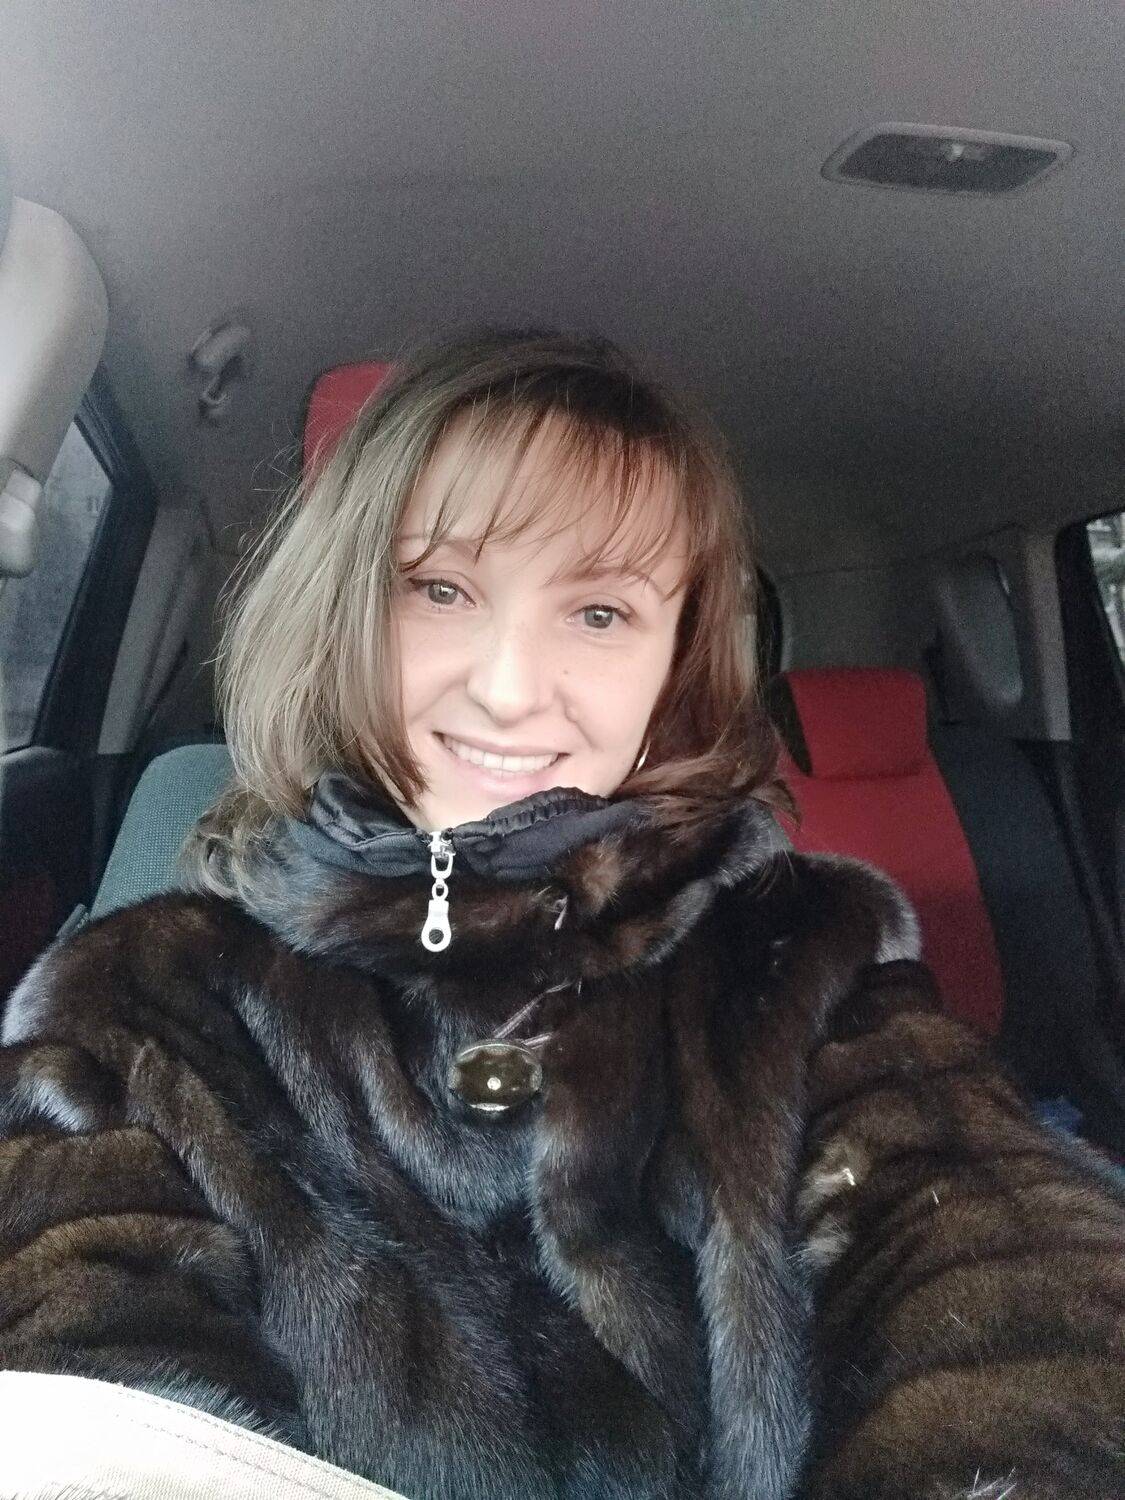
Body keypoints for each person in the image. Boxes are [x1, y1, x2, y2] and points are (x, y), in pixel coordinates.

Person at [0, 329, 1121, 1500]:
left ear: (675, 660)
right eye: (441, 590)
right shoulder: (144, 1006)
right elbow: (85, 1372)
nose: (508, 688)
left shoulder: (795, 952)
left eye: (599, 614)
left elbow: (991, 1262)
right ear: (344, 611)